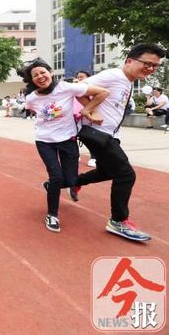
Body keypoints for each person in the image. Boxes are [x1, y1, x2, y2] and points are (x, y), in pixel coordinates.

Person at [76, 43, 166, 241]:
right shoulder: (113, 75)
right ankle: (118, 221)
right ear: (129, 61)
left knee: (108, 171)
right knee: (126, 174)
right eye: (147, 63)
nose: (150, 68)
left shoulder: (127, 80)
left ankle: (70, 182)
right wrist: (90, 110)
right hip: (96, 132)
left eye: (155, 66)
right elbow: (76, 88)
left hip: (107, 134)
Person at [21, 60, 109, 233]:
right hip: (45, 141)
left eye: (42, 72)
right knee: (56, 177)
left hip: (68, 139)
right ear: (32, 80)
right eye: (35, 75)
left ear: (51, 72)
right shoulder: (31, 98)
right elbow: (33, 110)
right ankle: (52, 215)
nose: (40, 77)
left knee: (71, 180)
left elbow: (103, 92)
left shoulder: (66, 88)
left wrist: (87, 110)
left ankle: (51, 186)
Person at [74, 71, 97, 167]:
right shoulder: (74, 89)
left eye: (82, 77)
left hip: (90, 117)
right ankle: (75, 156)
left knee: (91, 139)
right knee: (73, 137)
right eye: (78, 77)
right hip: (76, 117)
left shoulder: (94, 89)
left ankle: (93, 157)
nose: (79, 79)